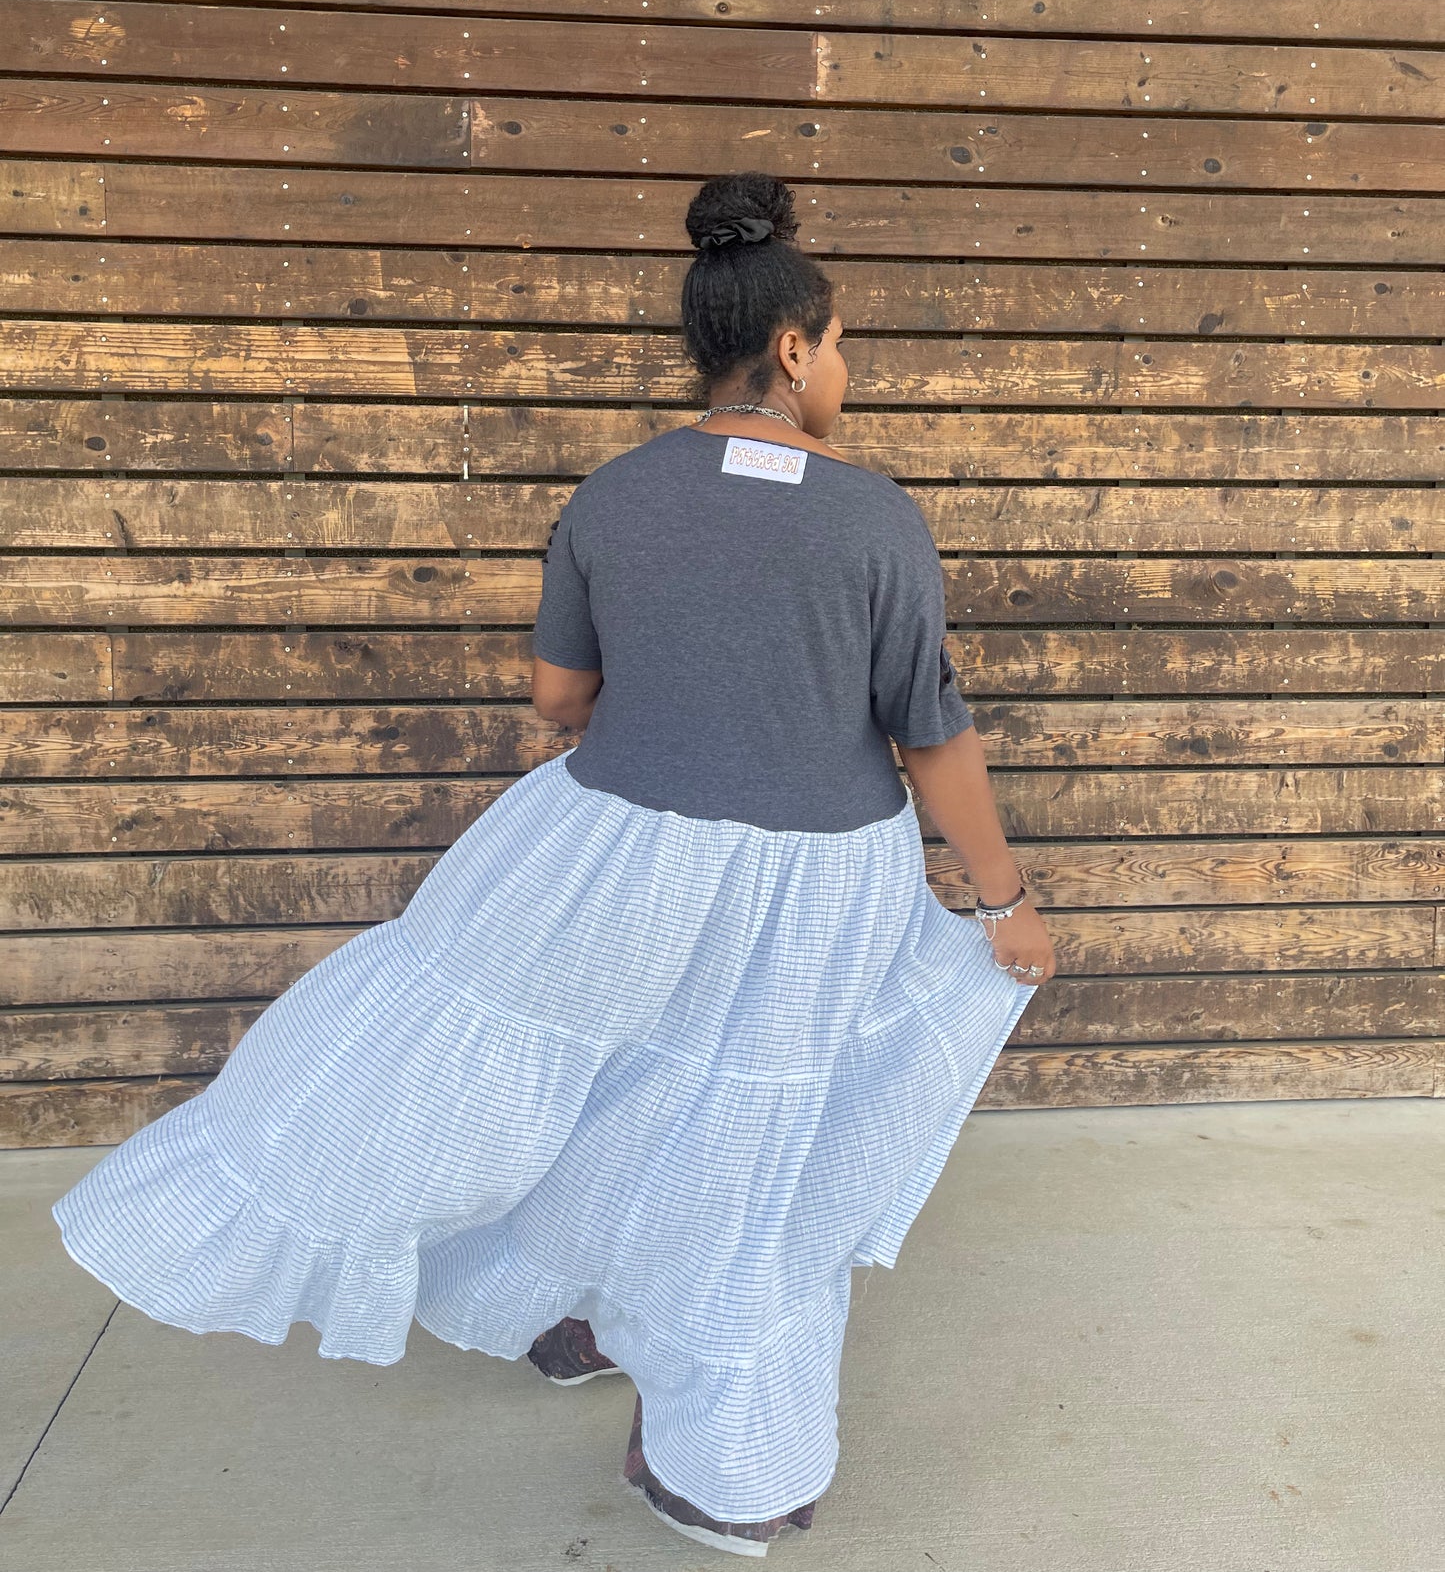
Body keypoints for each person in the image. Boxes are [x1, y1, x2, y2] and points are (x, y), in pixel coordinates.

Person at [50, 170, 1055, 1560]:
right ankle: (727, 1471)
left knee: (587, 1089)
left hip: (608, 856)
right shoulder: (873, 516)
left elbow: (557, 700)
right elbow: (928, 733)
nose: (844, 370)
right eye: (838, 346)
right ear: (790, 347)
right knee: (746, 1153)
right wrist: (1005, 900)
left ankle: (577, 1313)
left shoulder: (613, 495)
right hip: (816, 888)